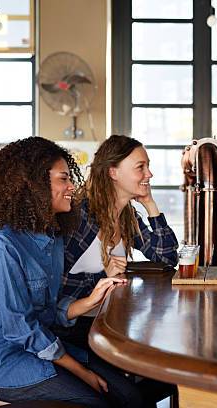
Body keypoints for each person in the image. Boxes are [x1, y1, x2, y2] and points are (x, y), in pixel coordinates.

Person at [0, 137, 142, 407]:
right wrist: (81, 371)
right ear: (34, 185)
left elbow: (47, 311)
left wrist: (90, 300)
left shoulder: (52, 237)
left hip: (39, 349)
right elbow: (21, 329)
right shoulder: (3, 246)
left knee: (130, 396)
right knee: (96, 401)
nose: (72, 187)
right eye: (63, 179)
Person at [58, 134, 179, 403]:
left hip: (106, 326)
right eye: (141, 167)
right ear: (113, 171)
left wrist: (149, 204)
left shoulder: (127, 215)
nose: (149, 173)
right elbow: (53, 286)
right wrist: (104, 275)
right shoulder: (79, 214)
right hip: (71, 333)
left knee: (169, 380)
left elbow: (167, 256)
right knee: (131, 396)